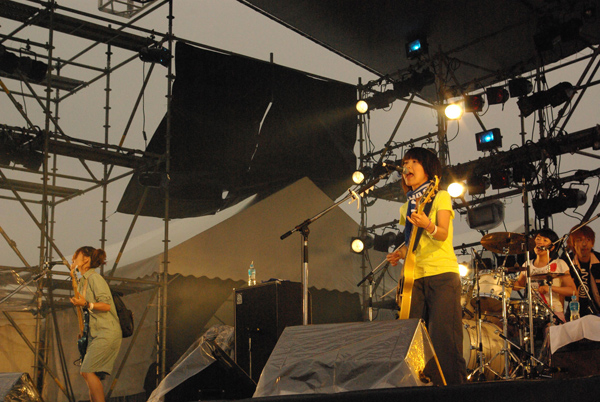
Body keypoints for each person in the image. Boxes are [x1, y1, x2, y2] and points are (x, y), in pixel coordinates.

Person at [386, 147, 466, 385]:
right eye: (405, 163)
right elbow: (412, 242)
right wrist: (399, 253)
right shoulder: (406, 206)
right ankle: (426, 384)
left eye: (414, 162)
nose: (407, 167)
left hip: (442, 274)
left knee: (444, 337)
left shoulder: (440, 196)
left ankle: (455, 388)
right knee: (414, 337)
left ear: (428, 169)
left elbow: (442, 234)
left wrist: (428, 224)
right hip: (414, 277)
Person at [69, 246, 122, 402]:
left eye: (76, 256)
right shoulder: (83, 280)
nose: (72, 259)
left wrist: (87, 304)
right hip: (95, 333)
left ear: (86, 259)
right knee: (86, 372)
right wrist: (73, 277)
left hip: (106, 331)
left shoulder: (94, 278)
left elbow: (106, 305)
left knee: (88, 371)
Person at [514, 229, 576, 322]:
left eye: (545, 240)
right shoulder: (527, 265)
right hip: (532, 312)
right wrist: (506, 283)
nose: (540, 242)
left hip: (553, 312)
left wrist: (550, 288)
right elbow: (519, 285)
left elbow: (572, 290)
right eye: (538, 239)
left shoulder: (559, 263)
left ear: (552, 247)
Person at [566, 225, 600, 318]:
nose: (584, 244)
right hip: (574, 314)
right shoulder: (567, 261)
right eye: (579, 240)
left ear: (592, 243)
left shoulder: (598, 259)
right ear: (573, 243)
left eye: (588, 240)